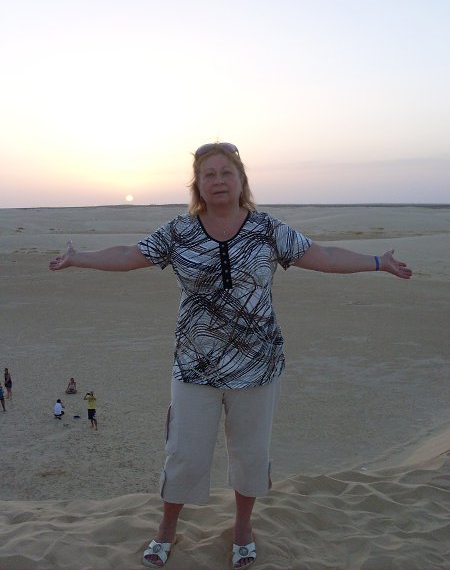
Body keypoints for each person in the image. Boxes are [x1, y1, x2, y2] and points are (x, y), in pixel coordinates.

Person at [49, 142, 412, 569]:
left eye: (226, 172)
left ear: (241, 181)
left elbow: (323, 255)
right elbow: (131, 254)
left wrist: (377, 261)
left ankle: (242, 528)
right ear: (198, 184)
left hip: (258, 367)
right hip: (194, 366)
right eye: (209, 174)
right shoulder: (179, 231)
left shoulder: (267, 229)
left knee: (250, 456)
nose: (218, 180)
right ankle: (166, 529)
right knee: (184, 454)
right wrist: (78, 258)